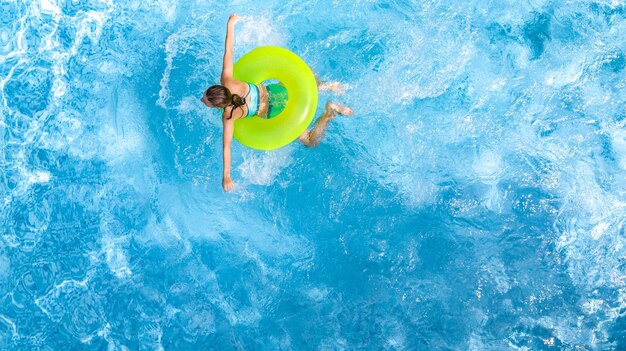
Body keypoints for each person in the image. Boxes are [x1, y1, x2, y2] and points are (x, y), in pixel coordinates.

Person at [200, 14, 353, 192]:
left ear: (219, 106)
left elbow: (227, 146)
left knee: (311, 141)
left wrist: (226, 176)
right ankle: (325, 86)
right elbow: (229, 50)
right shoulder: (227, 79)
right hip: (277, 91)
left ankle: (329, 111)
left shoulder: (229, 116)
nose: (202, 99)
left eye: (205, 100)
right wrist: (231, 24)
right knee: (301, 81)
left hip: (277, 114)